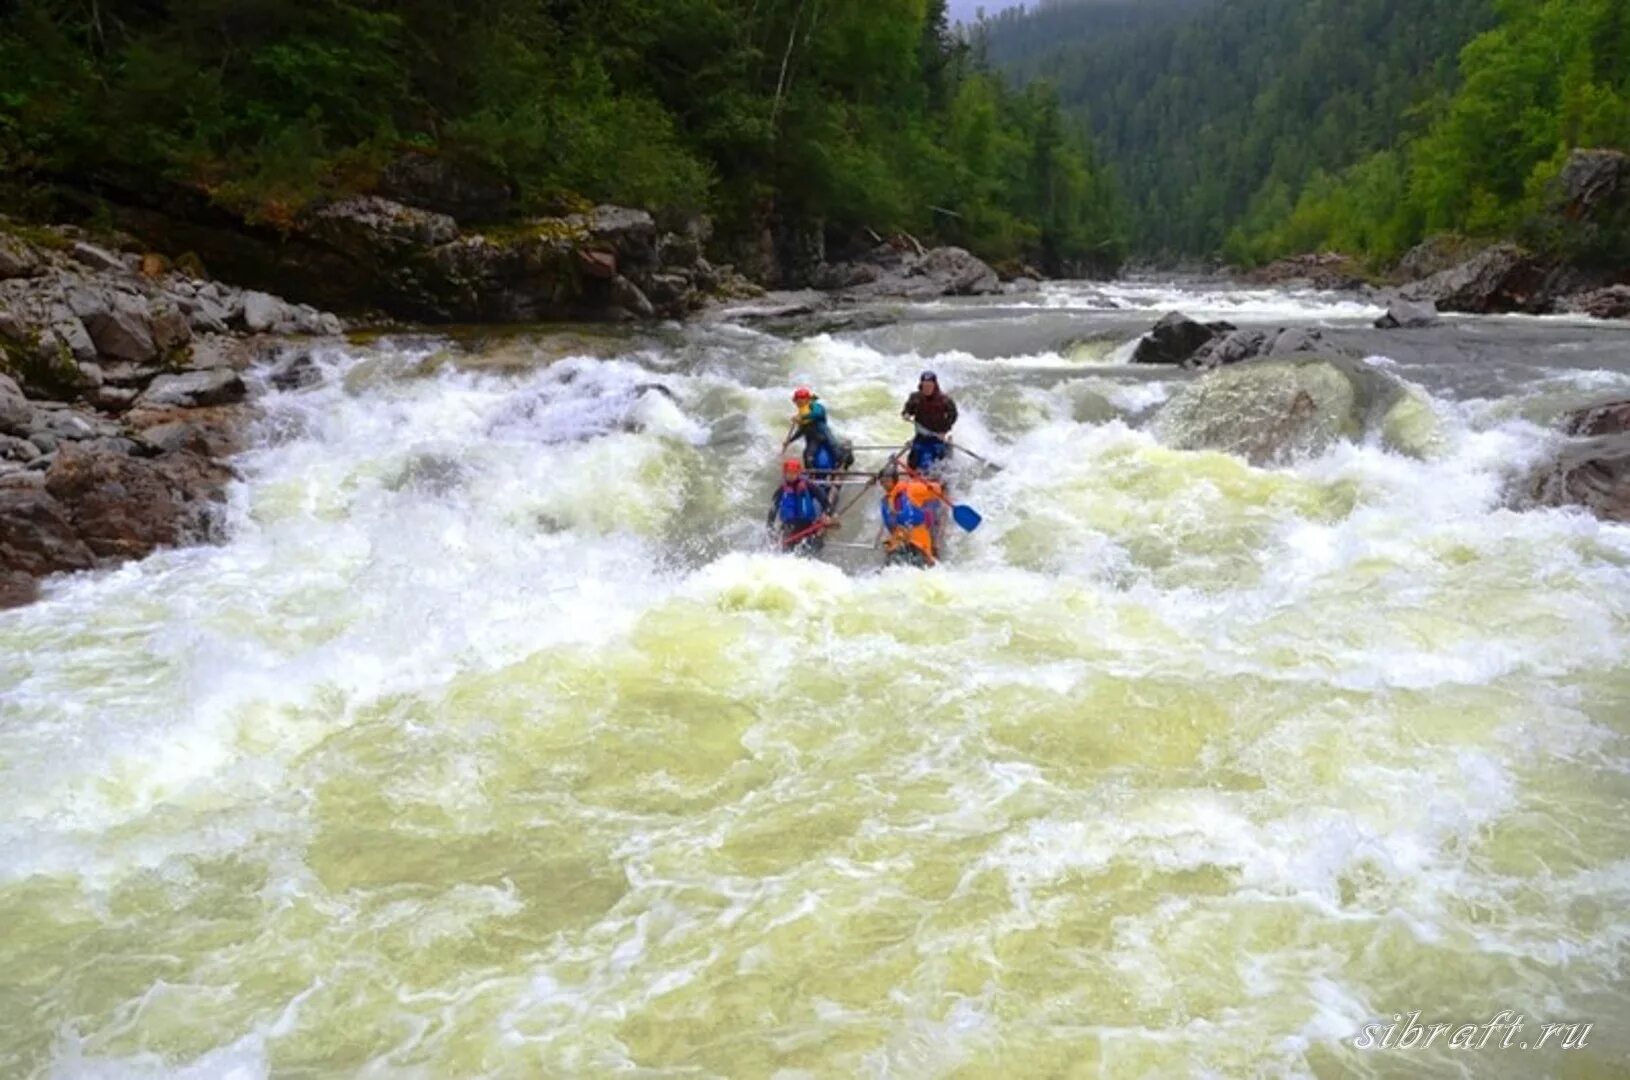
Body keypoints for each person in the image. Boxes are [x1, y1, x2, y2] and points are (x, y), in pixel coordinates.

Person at [783, 387, 854, 491]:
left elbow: (818, 414)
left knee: (836, 451)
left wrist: (802, 417)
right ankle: (812, 476)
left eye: (800, 400)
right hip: (813, 439)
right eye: (796, 400)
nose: (798, 403)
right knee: (808, 455)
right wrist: (790, 441)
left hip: (823, 435)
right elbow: (801, 431)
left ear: (807, 399)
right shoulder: (801, 413)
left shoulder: (815, 406)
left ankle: (846, 455)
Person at [879, 465, 945, 568]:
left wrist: (932, 486)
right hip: (899, 542)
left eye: (887, 480)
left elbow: (937, 490)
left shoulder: (911, 489)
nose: (884, 484)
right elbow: (891, 527)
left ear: (895, 479)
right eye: (882, 481)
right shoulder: (885, 502)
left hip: (918, 542)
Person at [766, 458, 836, 554]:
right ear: (785, 473)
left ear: (798, 473)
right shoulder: (781, 489)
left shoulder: (809, 485)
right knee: (786, 551)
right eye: (788, 473)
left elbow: (824, 500)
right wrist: (770, 529)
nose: (791, 475)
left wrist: (827, 514)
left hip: (807, 526)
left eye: (794, 473)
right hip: (788, 527)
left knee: (814, 546)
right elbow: (773, 510)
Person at [901, 370, 958, 472]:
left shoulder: (945, 400)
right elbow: (907, 409)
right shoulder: (915, 397)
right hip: (921, 436)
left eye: (930, 386)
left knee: (929, 463)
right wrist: (906, 414)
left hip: (938, 438)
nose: (927, 388)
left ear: (935, 385)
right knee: (912, 463)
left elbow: (953, 415)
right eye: (925, 385)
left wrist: (944, 431)